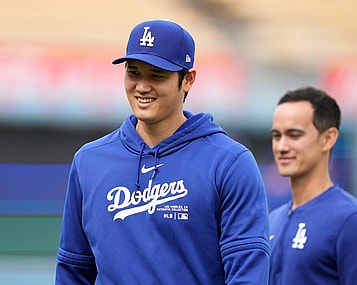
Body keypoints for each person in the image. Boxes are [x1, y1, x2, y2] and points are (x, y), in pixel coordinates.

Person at [55, 19, 270, 284]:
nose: (143, 86)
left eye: (157, 75)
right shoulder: (89, 161)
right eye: (133, 72)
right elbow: (74, 269)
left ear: (187, 80)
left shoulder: (229, 163)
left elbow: (248, 271)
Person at [269, 86, 357, 284]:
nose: (281, 146)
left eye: (294, 135)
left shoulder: (352, 222)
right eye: (276, 136)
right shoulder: (273, 220)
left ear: (328, 138)